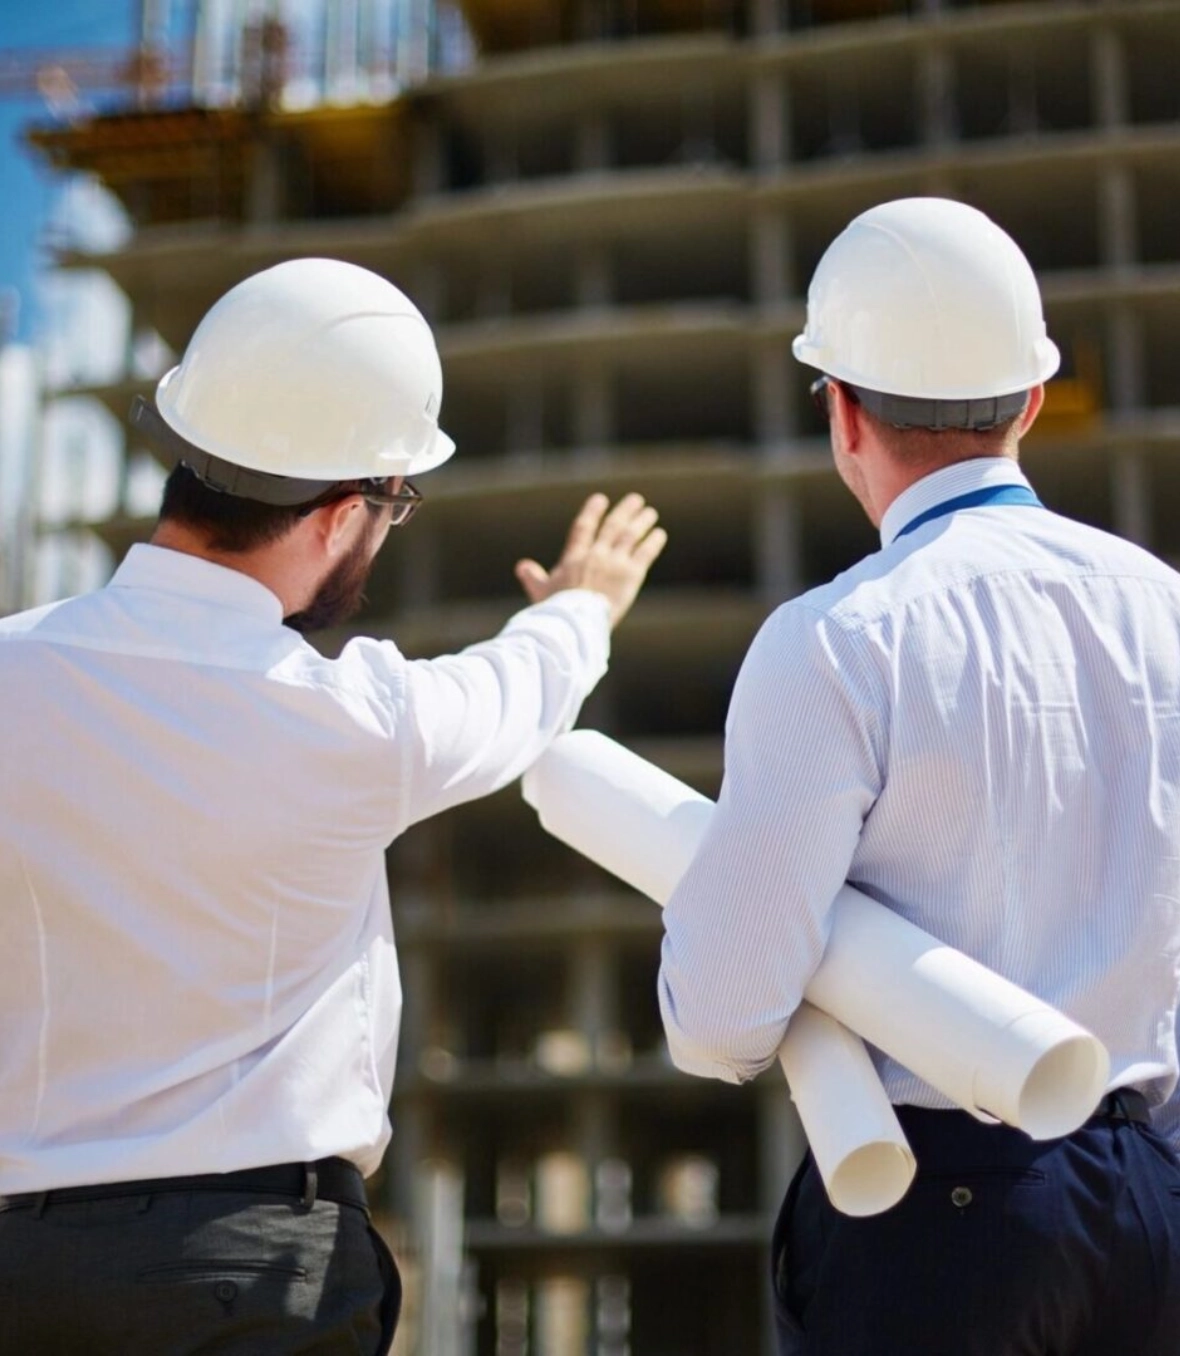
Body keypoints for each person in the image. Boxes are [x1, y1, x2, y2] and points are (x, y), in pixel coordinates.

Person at [0, 257, 666, 1355]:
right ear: (344, 511)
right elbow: (514, 695)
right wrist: (583, 608)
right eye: (394, 505)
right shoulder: (356, 718)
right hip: (253, 1274)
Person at [657, 197, 1180, 1355]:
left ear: (838, 411)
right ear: (1032, 401)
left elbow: (724, 1022)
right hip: (1151, 1199)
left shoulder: (836, 638)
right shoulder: (1164, 608)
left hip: (932, 1212)